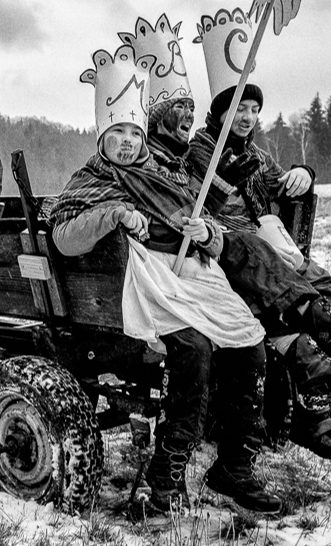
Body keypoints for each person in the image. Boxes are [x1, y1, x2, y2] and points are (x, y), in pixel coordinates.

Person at [49, 49, 282, 513]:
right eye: (118, 132)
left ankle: (233, 467)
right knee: (194, 349)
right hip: (140, 292)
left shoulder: (162, 175)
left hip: (192, 281)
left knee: (249, 345)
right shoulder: (92, 178)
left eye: (134, 132)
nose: (128, 142)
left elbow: (205, 215)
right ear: (102, 137)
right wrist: (113, 213)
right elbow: (64, 238)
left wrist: (208, 231)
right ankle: (166, 478)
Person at [187, 84, 331, 456]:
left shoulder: (256, 155)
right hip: (226, 253)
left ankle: (329, 402)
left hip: (269, 249)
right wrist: (228, 184)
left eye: (253, 109)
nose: (247, 117)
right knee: (277, 295)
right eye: (239, 109)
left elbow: (282, 182)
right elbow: (200, 203)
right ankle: (315, 419)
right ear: (218, 115)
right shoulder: (201, 152)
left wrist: (303, 172)